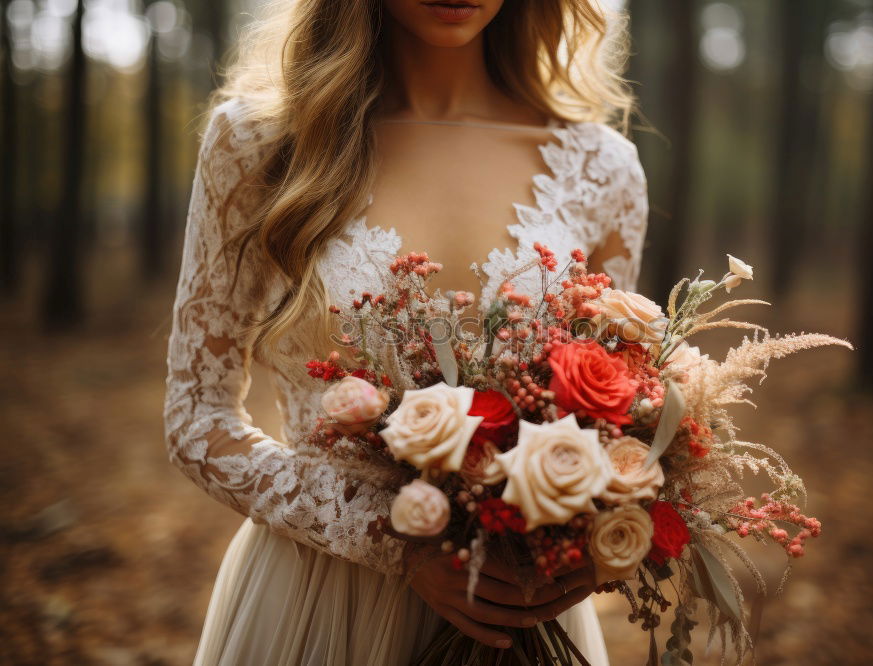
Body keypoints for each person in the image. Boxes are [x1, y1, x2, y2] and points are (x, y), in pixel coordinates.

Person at [163, 0, 649, 663]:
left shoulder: (603, 169)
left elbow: (616, 419)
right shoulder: (258, 144)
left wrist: (582, 541)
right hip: (318, 604)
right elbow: (197, 418)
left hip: (513, 620)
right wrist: (391, 539)